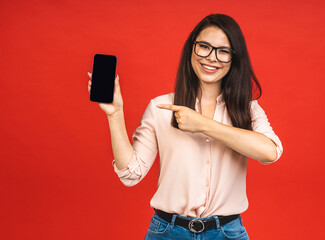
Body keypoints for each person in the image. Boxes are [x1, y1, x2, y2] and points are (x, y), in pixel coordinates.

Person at [88, 14, 283, 240]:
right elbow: (131, 175)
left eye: (223, 51)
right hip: (168, 232)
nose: (212, 58)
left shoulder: (247, 109)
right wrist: (115, 115)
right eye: (204, 47)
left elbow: (270, 152)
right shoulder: (161, 107)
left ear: (234, 58)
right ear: (192, 49)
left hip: (227, 233)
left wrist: (202, 124)